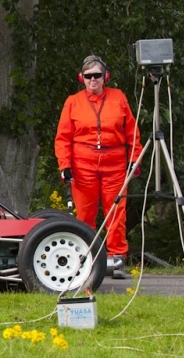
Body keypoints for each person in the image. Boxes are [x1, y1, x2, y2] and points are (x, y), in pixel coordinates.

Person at [55, 55, 143, 279]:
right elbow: (63, 138)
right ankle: (87, 258)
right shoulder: (72, 101)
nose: (93, 79)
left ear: (106, 77)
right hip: (83, 164)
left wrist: (135, 159)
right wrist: (65, 165)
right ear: (81, 78)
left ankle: (117, 258)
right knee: (85, 214)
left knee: (116, 212)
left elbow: (132, 132)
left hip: (115, 163)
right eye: (88, 76)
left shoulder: (119, 97)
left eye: (97, 75)